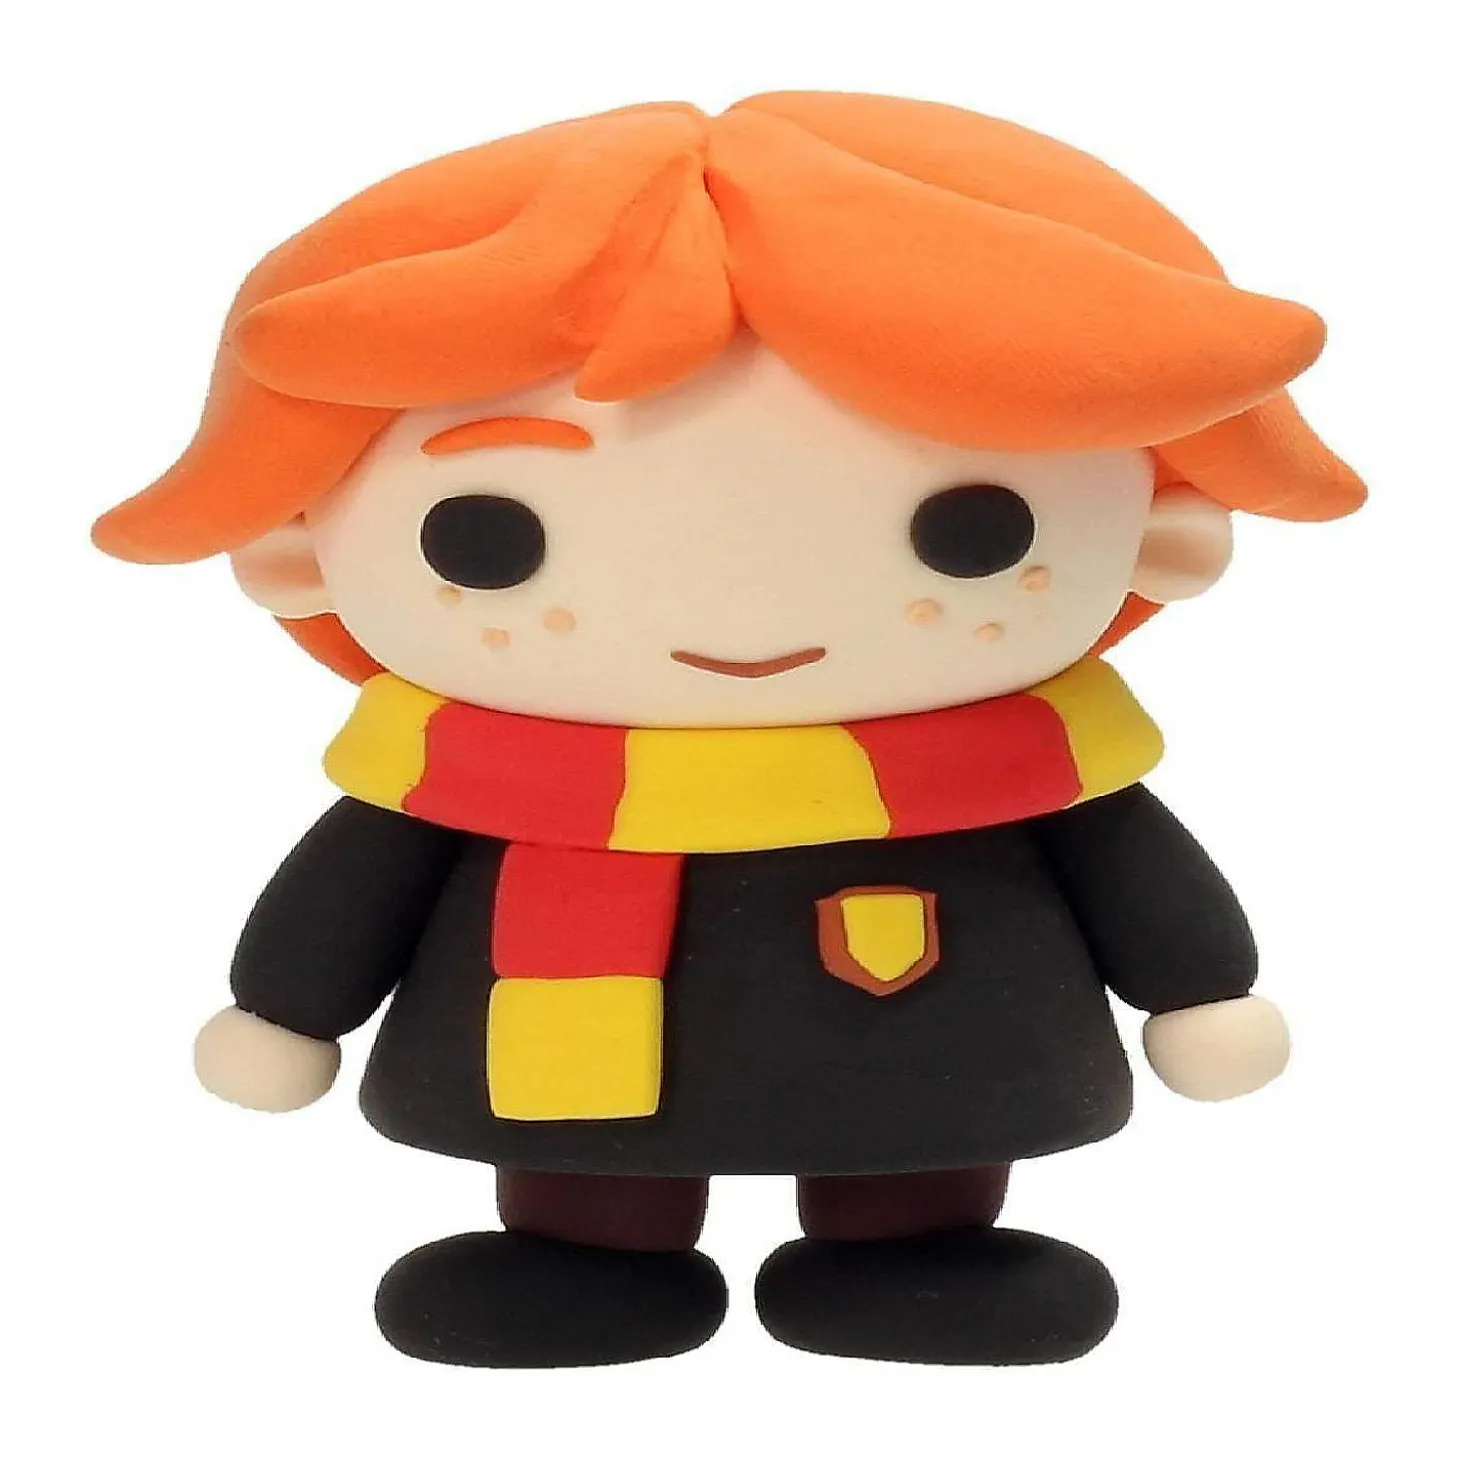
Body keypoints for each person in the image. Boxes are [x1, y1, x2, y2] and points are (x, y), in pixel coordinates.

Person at [93, 92, 1364, 1368]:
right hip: (641, 1079)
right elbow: (353, 890)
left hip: (932, 1054)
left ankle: (908, 1251)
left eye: (970, 528)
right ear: (292, 550)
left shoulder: (1025, 770)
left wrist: (1197, 987)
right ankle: (588, 1251)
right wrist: (289, 1005)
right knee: (588, 1170)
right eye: (489, 538)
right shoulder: (461, 776)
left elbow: (1134, 876)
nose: (734, 605)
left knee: (916, 1144)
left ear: (1166, 531)